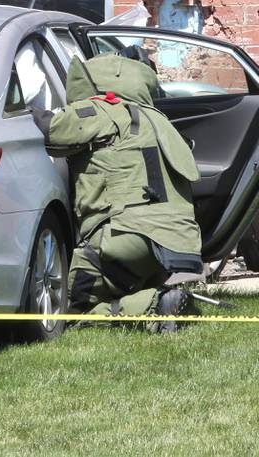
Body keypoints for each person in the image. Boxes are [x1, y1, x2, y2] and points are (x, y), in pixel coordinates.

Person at [30, 49, 203, 333]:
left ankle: (155, 305)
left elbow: (53, 130)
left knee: (73, 308)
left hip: (123, 237)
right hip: (174, 244)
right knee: (117, 289)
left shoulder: (101, 109)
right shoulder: (158, 119)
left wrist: (30, 111)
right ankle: (155, 298)